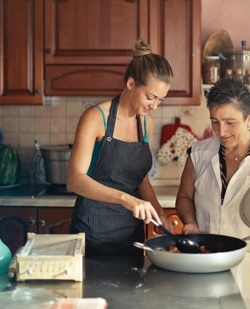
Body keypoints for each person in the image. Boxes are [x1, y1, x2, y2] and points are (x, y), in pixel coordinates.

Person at [175, 78, 250, 308]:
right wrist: (190, 222)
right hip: (207, 265)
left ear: (249, 118)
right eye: (215, 122)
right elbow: (184, 197)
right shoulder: (198, 154)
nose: (221, 131)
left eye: (230, 122)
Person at [66, 39, 174, 256]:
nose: (154, 106)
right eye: (150, 97)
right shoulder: (96, 118)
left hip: (131, 235)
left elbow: (140, 179)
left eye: (160, 100)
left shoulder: (146, 123)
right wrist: (125, 199)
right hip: (93, 232)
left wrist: (160, 213)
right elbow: (74, 180)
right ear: (131, 84)